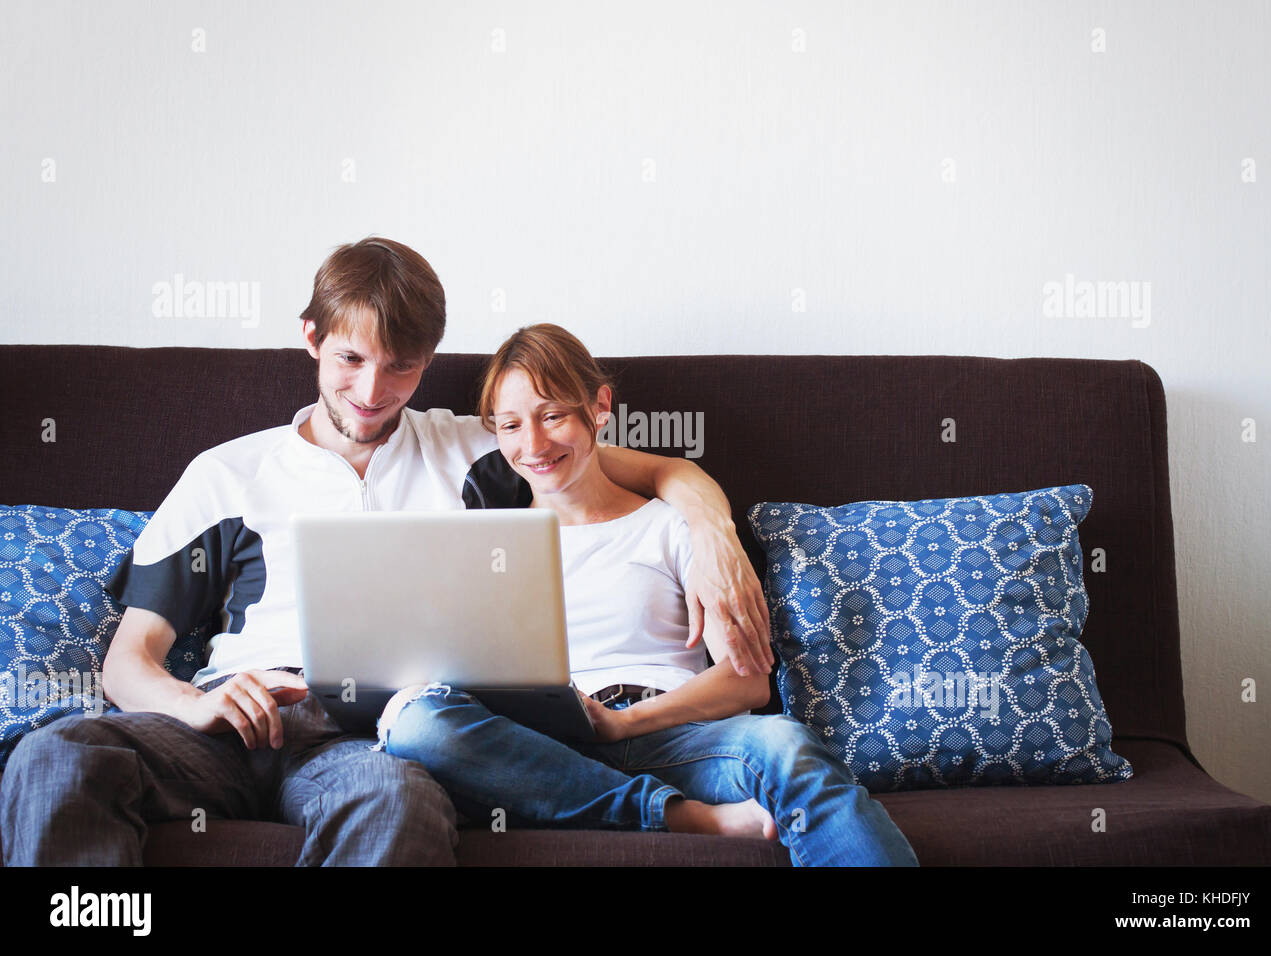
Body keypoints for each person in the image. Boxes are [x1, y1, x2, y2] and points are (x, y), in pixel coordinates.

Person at [0, 239, 773, 866]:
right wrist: (194, 704)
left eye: (402, 366)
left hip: (368, 742)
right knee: (55, 755)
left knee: (399, 804)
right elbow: (128, 659)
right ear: (312, 339)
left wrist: (712, 531)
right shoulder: (228, 472)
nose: (373, 391)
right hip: (227, 724)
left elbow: (651, 468)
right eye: (350, 361)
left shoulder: (480, 448)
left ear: (430, 358)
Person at [377, 323, 919, 866]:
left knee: (785, 745)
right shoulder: (489, 543)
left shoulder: (670, 527)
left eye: (553, 416)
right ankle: (677, 816)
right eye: (511, 425)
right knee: (416, 723)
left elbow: (748, 681)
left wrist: (625, 722)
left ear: (600, 407)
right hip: (542, 749)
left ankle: (605, 800)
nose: (533, 445)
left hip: (672, 738)